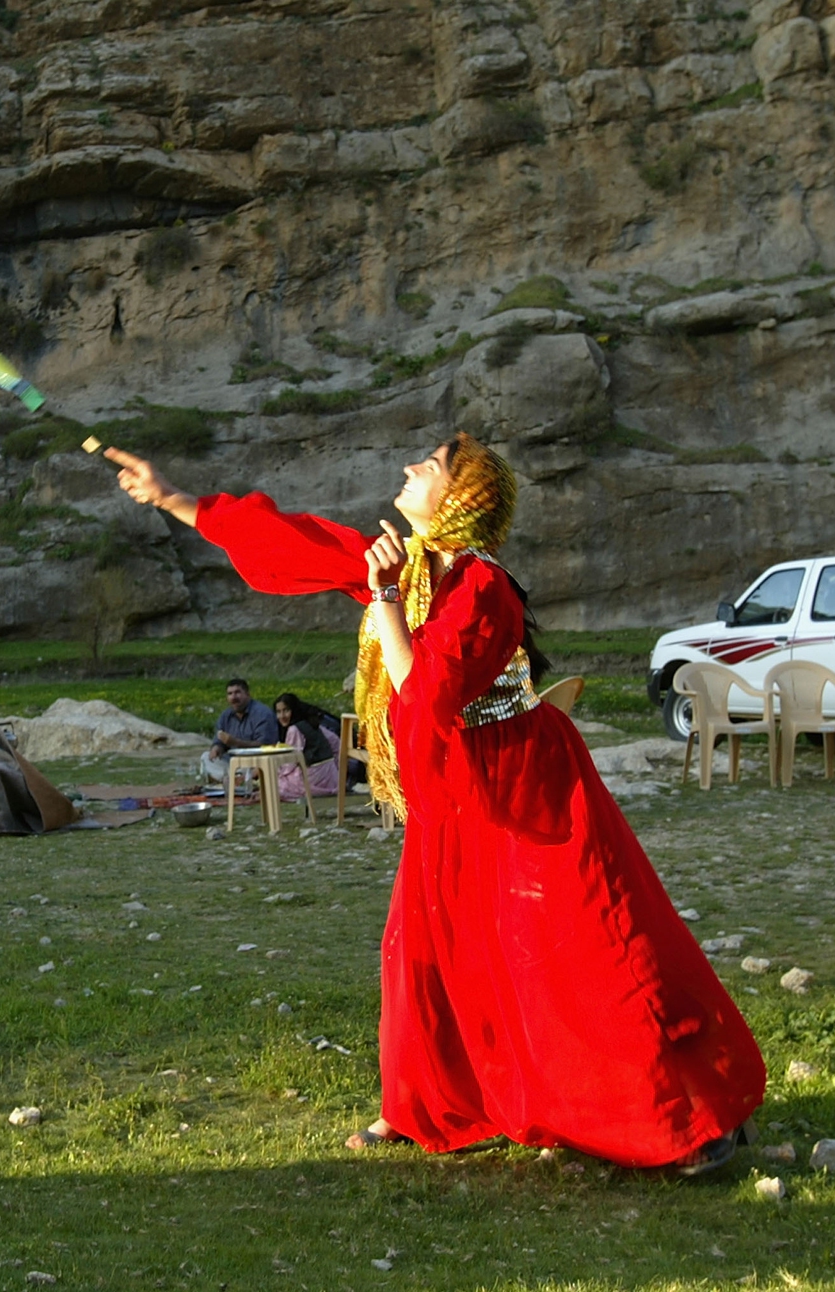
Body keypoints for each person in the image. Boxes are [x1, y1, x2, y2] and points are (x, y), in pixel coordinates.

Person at [104, 433, 766, 1175]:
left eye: (432, 465)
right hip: (456, 785)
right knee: (422, 942)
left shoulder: (483, 587)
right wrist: (173, 498)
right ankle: (421, 1107)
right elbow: (293, 542)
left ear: (461, 498)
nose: (411, 466)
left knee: (585, 943)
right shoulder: (413, 565)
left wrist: (384, 599)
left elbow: (426, 694)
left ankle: (686, 1118)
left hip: (525, 785)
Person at [199, 678, 280, 785]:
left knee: (263, 766)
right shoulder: (226, 716)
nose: (234, 697)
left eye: (237, 693)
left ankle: (233, 780)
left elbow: (265, 746)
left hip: (255, 763)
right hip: (233, 763)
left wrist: (236, 742)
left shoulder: (262, 714)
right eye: (230, 694)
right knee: (205, 757)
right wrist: (216, 748)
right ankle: (235, 780)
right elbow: (219, 741)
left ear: (247, 694)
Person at [271, 692, 342, 802]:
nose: (282, 716)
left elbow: (292, 760)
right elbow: (336, 742)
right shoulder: (311, 724)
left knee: (274, 782)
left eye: (286, 710)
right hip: (332, 777)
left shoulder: (294, 729)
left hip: (315, 777)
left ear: (293, 710)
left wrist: (277, 770)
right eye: (279, 712)